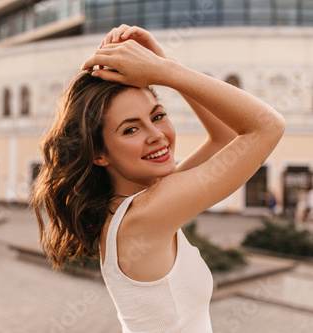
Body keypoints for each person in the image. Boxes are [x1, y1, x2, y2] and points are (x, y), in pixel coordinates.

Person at [32, 25, 285, 332]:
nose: (157, 136)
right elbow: (268, 126)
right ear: (99, 154)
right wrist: (165, 71)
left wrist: (162, 62)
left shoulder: (131, 209)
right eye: (130, 129)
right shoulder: (147, 213)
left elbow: (225, 139)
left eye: (157, 116)